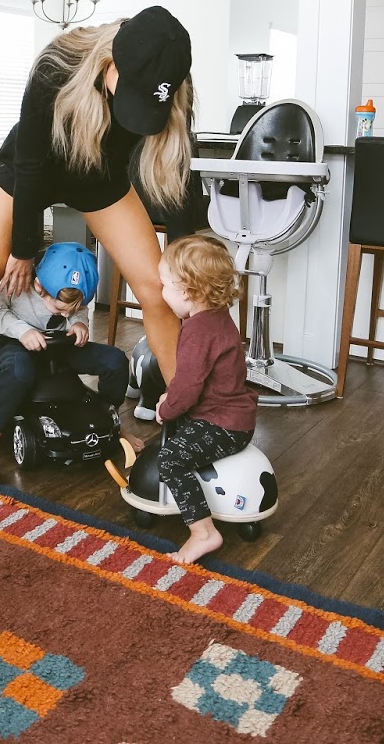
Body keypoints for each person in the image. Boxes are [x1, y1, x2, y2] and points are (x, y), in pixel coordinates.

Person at [0, 6, 195, 480]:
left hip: (100, 178)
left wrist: (186, 262)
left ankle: (186, 423)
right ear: (110, 63)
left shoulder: (173, 84)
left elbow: (182, 177)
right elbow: (30, 166)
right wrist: (23, 250)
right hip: (32, 170)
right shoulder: (58, 65)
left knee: (157, 287)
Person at [0, 242, 143, 483]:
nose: (64, 314)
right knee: (19, 371)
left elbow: (77, 310)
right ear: (39, 286)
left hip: (59, 345)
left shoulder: (70, 301)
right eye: (59, 309)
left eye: (71, 309)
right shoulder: (16, 279)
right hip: (13, 342)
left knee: (114, 361)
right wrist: (22, 331)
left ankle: (111, 422)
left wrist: (78, 322)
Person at [152, 234, 257, 564]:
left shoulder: (198, 330)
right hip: (230, 417)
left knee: (170, 459)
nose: (161, 292)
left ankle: (203, 533)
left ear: (186, 291)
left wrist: (167, 408)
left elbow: (188, 386)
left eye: (165, 285)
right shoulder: (217, 316)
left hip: (223, 425)